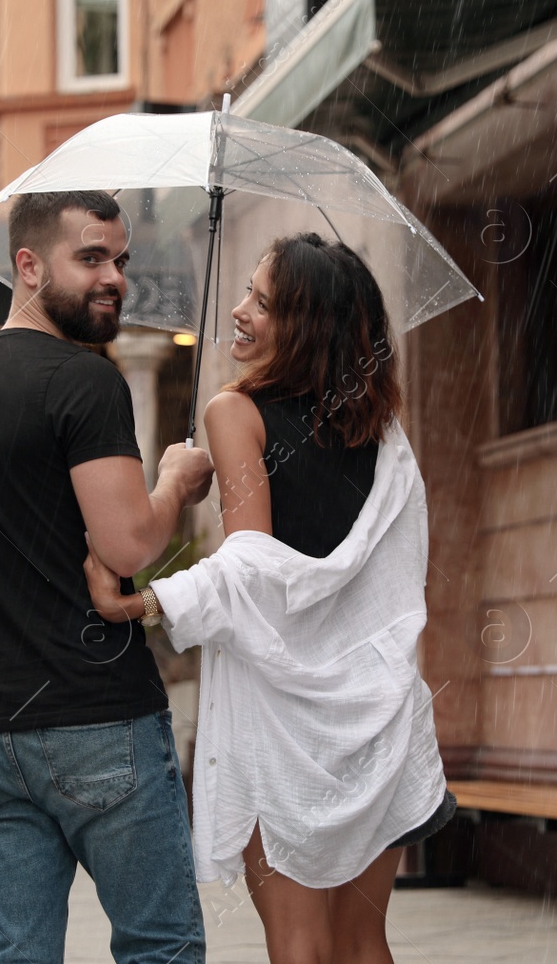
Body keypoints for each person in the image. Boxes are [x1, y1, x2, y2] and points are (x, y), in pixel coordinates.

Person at [85, 233, 454, 964]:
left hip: (282, 726)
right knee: (362, 941)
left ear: (309, 323)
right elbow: (387, 567)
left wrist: (150, 601)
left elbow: (254, 564)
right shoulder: (383, 429)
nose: (238, 310)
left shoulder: (234, 412)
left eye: (263, 301)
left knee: (297, 943)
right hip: (376, 712)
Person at [0, 190, 215, 964]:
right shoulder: (85, 382)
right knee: (160, 948)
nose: (115, 277)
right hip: (100, 717)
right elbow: (130, 541)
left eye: (121, 259)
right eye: (92, 258)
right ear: (29, 266)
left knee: (13, 956)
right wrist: (175, 480)